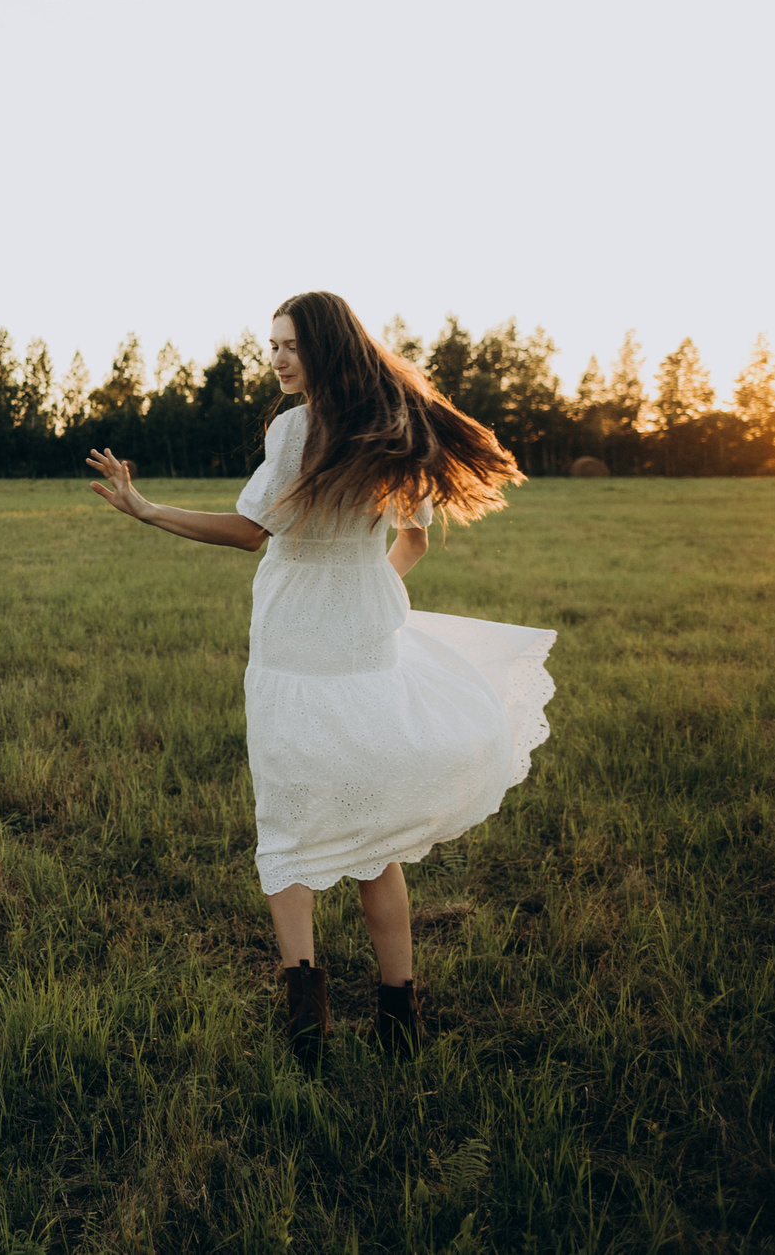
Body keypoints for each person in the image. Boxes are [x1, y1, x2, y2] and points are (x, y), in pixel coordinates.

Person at [85, 291, 556, 1065]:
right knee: (375, 836)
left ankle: (307, 1007)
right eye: (271, 344)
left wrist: (145, 510)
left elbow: (248, 531)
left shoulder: (295, 428)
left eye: (292, 345)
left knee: (291, 823)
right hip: (366, 652)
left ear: (327, 349)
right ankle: (399, 1013)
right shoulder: (395, 428)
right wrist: (371, 587)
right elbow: (413, 541)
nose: (276, 357)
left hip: (293, 653)